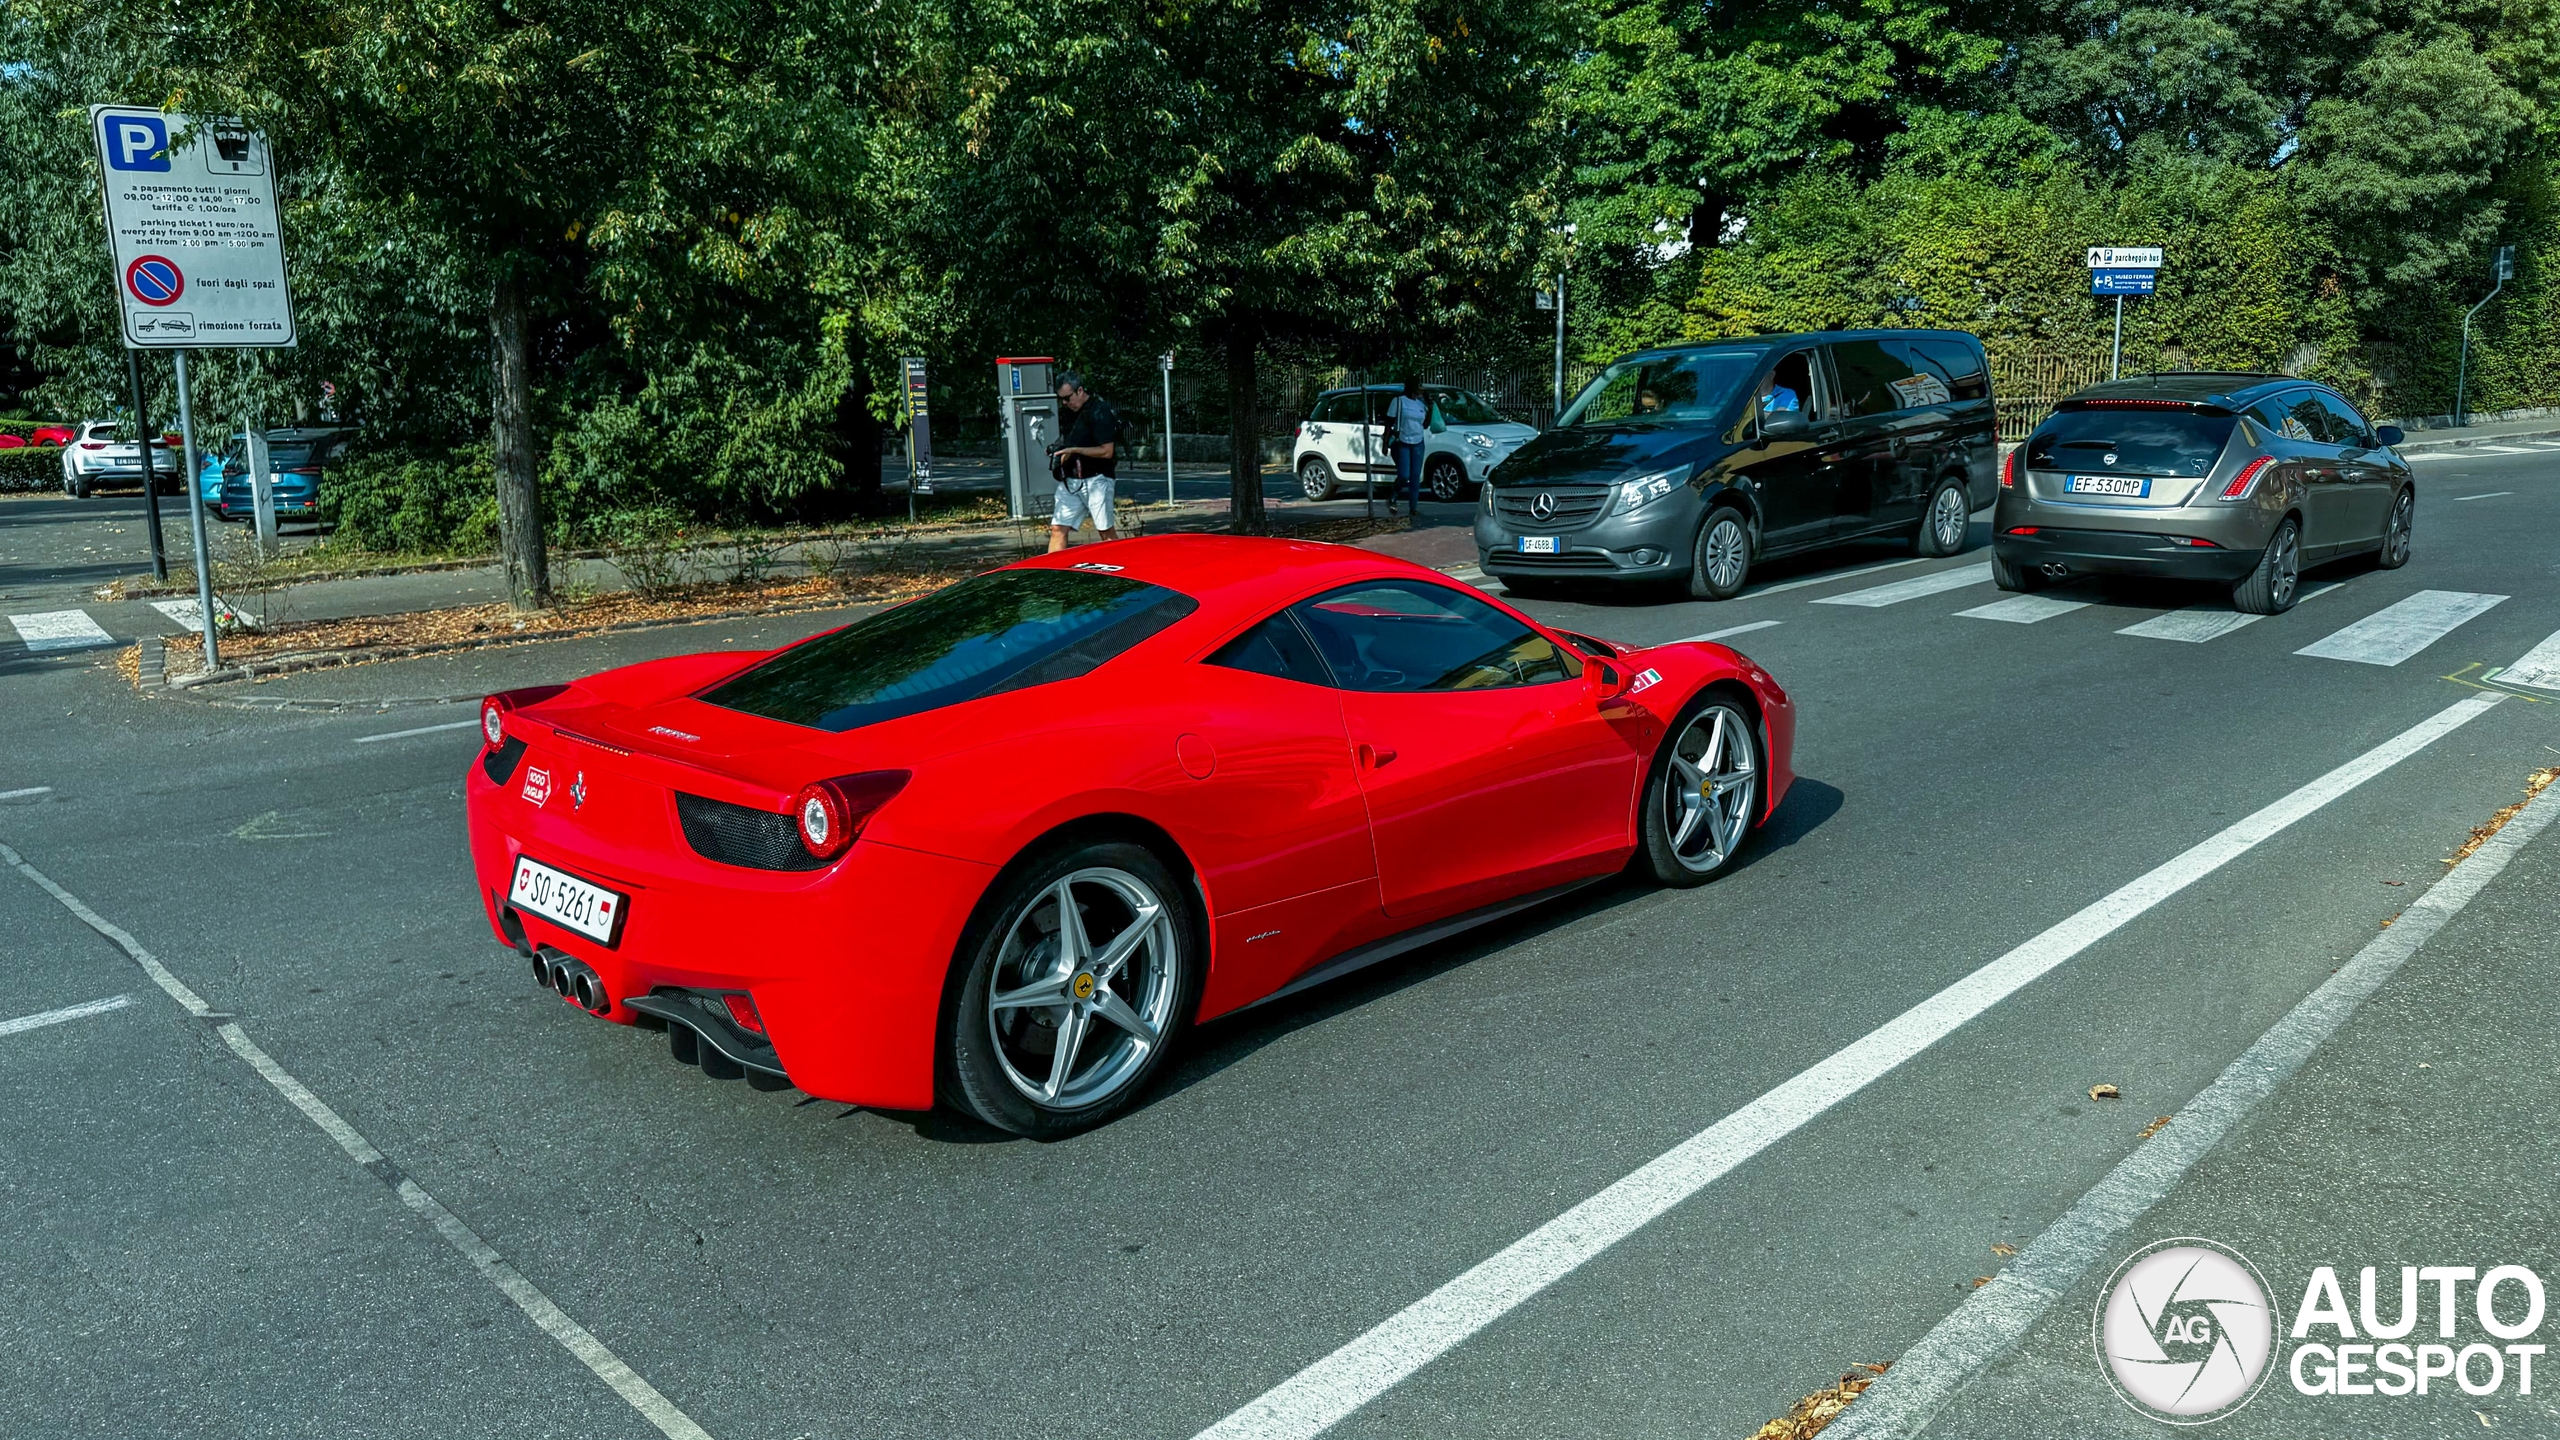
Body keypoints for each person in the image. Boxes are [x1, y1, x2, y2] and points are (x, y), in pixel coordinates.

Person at [1047, 372, 1119, 552]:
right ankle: (1053, 575)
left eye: (1067, 398)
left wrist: (1075, 451)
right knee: (1058, 528)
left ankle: (1120, 571)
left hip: (1097, 479)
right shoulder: (1068, 412)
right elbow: (1068, 439)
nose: (1064, 403)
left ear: (1080, 391)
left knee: (1105, 532)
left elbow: (1107, 451)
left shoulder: (1099, 411)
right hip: (1072, 479)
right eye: (1060, 399)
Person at [1388, 379, 1429, 514]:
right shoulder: (1399, 401)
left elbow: (1426, 424)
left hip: (1418, 442)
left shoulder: (1421, 404)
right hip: (1403, 441)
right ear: (1413, 388)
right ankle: (1394, 495)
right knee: (1404, 475)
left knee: (1415, 476)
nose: (1421, 390)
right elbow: (1389, 422)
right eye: (1419, 387)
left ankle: (1413, 507)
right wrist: (1385, 442)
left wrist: (1431, 406)